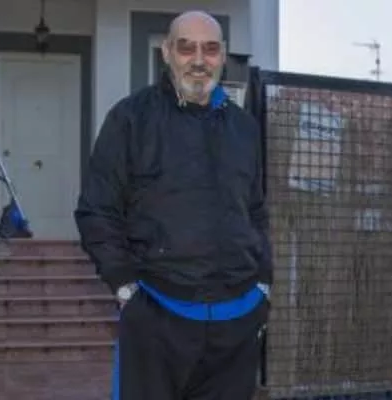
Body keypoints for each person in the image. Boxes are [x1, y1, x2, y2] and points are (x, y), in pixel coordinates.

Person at [74, 10, 273, 400]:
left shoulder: (244, 128)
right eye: (186, 48)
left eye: (210, 49)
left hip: (236, 321)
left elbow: (255, 211)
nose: (199, 60)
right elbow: (97, 210)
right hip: (157, 315)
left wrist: (263, 285)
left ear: (222, 56)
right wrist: (125, 288)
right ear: (167, 52)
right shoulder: (131, 118)